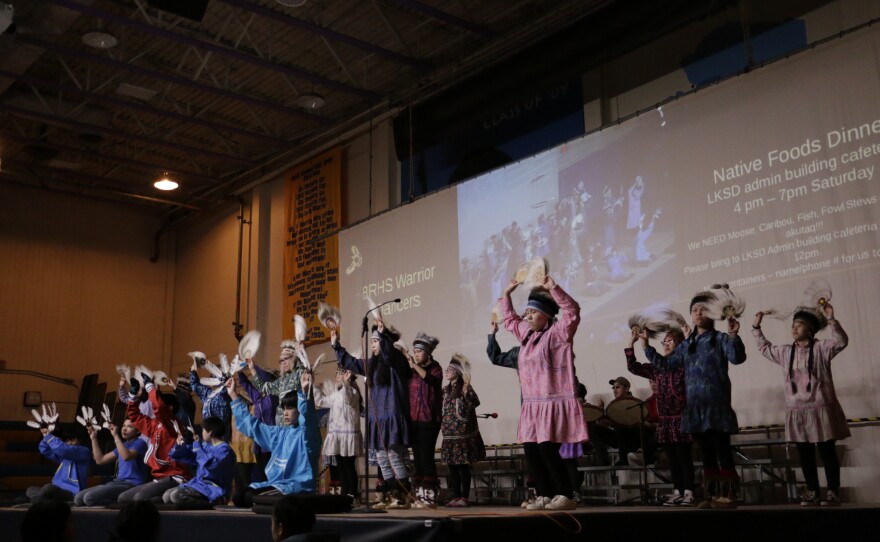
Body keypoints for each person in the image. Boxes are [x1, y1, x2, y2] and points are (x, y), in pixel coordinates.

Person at [645, 289, 746, 508]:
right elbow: (666, 365)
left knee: (722, 451)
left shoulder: (719, 338)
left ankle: (729, 495)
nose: (698, 312)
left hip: (716, 406)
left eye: (703, 308)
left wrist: (733, 335)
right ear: (690, 315)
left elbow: (737, 358)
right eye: (694, 309)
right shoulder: (687, 344)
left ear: (712, 313)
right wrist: (646, 348)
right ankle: (711, 496)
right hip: (696, 408)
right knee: (707, 454)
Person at [502, 275, 587, 511]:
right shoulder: (527, 335)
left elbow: (572, 311)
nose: (526, 316)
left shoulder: (559, 333)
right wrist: (507, 294)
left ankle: (565, 494)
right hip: (531, 405)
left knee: (547, 449)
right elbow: (509, 320)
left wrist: (554, 288)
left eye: (532, 312)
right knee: (531, 450)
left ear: (546, 315)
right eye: (526, 312)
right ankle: (545, 495)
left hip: (552, 401)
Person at [752, 302, 848, 506]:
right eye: (793, 325)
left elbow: (841, 341)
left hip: (820, 407)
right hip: (797, 410)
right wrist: (756, 327)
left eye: (800, 324)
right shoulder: (786, 352)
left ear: (811, 330)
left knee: (826, 451)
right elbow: (764, 348)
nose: (794, 328)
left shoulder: (822, 348)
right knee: (804, 454)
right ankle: (812, 491)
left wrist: (831, 318)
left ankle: (833, 492)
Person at [332, 320, 412, 509]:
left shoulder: (396, 361)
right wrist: (336, 344)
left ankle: (403, 497)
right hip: (378, 418)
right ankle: (389, 495)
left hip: (392, 415)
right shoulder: (371, 364)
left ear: (385, 342)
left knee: (394, 457)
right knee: (382, 459)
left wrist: (384, 336)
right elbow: (351, 362)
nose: (373, 343)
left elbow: (390, 354)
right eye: (373, 340)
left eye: (376, 340)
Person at [228, 372, 319, 505]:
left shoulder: (307, 435)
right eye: (284, 408)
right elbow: (253, 427)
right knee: (239, 496)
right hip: (277, 484)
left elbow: (308, 419)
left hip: (296, 488)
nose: (285, 412)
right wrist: (233, 395)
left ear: (299, 409)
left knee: (249, 498)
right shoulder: (281, 433)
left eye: (291, 408)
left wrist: (304, 394)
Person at [629, 326, 694, 506]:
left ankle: (689, 491)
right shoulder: (657, 368)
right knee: (672, 458)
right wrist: (631, 344)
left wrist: (646, 345)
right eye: (664, 341)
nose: (666, 344)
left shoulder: (682, 363)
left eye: (670, 341)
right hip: (665, 421)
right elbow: (633, 367)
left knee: (683, 457)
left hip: (681, 417)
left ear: (680, 344)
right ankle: (678, 491)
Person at [118, 374, 189, 503]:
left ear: (170, 408)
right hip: (159, 477)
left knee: (140, 498)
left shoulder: (174, 424)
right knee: (124, 498)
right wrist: (133, 396)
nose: (154, 407)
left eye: (158, 402)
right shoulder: (155, 425)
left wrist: (149, 386)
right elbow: (136, 417)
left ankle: (165, 499)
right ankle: (162, 499)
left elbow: (160, 408)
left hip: (173, 476)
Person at [403, 331, 444, 508]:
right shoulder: (411, 372)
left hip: (429, 420)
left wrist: (414, 366)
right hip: (414, 419)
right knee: (417, 459)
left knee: (427, 457)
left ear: (427, 352)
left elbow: (432, 382)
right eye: (414, 351)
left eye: (418, 351)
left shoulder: (436, 368)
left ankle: (430, 495)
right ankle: (419, 495)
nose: (416, 354)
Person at [441, 354, 486, 507]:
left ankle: (464, 497)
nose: (447, 371)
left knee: (462, 466)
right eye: (447, 369)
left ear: (458, 372)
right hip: (449, 434)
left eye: (450, 369)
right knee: (452, 466)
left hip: (462, 434)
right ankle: (455, 496)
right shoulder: (445, 390)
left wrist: (467, 392)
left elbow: (476, 402)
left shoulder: (465, 388)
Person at [312, 367, 363, 501]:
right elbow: (320, 401)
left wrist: (346, 384)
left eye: (340, 374)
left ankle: (353, 494)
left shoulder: (352, 391)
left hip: (347, 435)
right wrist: (312, 384)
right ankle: (344, 495)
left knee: (349, 466)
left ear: (348, 377)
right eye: (336, 374)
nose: (336, 377)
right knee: (341, 467)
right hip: (337, 436)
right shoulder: (336, 394)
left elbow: (347, 399)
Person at [164, 416, 237, 505]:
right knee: (166, 496)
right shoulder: (205, 445)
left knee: (176, 496)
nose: (202, 433)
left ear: (210, 432)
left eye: (203, 430)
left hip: (214, 488)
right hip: (200, 485)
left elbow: (210, 466)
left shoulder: (224, 450)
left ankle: (217, 501)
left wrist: (198, 447)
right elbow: (187, 456)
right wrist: (180, 445)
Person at [74, 420, 149, 506]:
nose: (124, 429)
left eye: (129, 427)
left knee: (89, 498)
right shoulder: (122, 445)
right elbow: (100, 460)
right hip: (117, 482)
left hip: (132, 484)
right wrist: (93, 438)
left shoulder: (140, 443)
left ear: (138, 431)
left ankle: (121, 502)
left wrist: (116, 435)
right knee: (78, 498)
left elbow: (126, 456)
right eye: (124, 426)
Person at [587, 376, 645, 466]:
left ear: (627, 388)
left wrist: (613, 423)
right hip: (619, 438)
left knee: (620, 428)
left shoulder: (634, 402)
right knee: (593, 429)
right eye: (613, 388)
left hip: (633, 437)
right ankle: (603, 459)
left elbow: (633, 422)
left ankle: (623, 459)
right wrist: (600, 413)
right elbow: (604, 422)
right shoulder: (612, 405)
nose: (615, 390)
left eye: (618, 387)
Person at [27, 424, 91, 503]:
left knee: (48, 488)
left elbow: (64, 450)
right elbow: (45, 450)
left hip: (72, 493)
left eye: (73, 439)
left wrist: (48, 436)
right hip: (56, 489)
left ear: (81, 440)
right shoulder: (64, 454)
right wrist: (46, 437)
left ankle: (40, 499)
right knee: (30, 489)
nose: (70, 443)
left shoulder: (84, 451)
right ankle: (43, 498)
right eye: (67, 440)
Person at [248, 340, 305, 426]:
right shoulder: (280, 381)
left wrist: (302, 353)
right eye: (281, 361)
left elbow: (307, 372)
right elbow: (263, 388)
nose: (283, 363)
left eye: (286, 359)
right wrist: (252, 368)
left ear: (294, 358)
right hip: (282, 426)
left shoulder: (300, 373)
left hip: (297, 426)